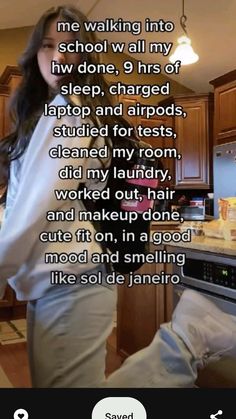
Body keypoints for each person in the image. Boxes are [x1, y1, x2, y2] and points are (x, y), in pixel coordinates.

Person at [0, 5, 236, 388]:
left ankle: (186, 337)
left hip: (72, 282)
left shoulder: (69, 115)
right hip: (58, 283)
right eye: (48, 45)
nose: (58, 56)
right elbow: (27, 205)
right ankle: (187, 335)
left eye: (70, 46)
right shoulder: (53, 116)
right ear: (35, 54)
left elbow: (32, 214)